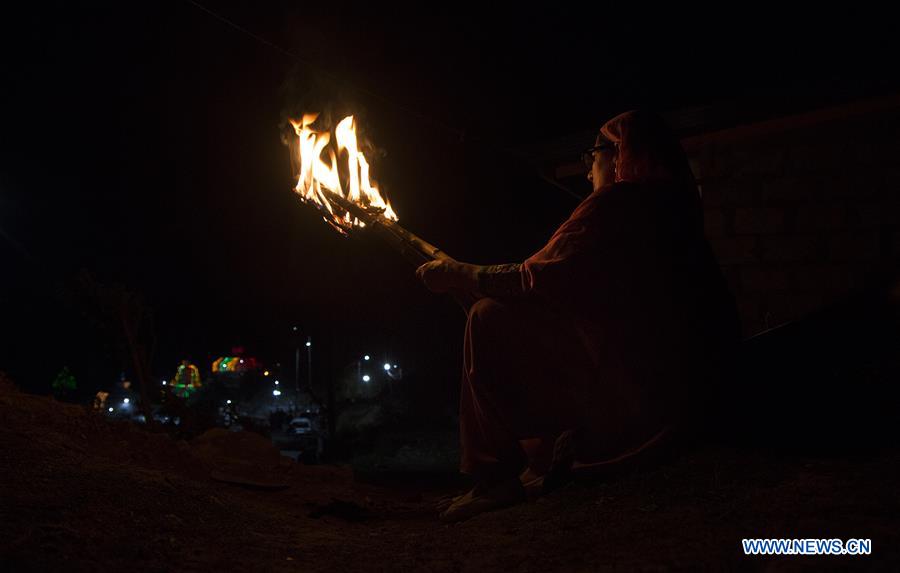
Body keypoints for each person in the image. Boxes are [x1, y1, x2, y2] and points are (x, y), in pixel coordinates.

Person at [416, 110, 740, 522]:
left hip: (632, 400)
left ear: (621, 154)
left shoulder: (620, 202)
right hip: (682, 394)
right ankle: (529, 464)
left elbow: (532, 278)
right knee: (499, 313)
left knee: (487, 316)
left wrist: (458, 274)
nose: (588, 170)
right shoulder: (674, 211)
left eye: (594, 155)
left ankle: (493, 478)